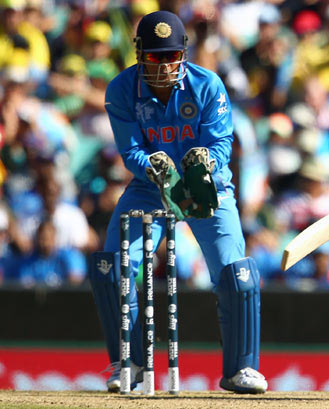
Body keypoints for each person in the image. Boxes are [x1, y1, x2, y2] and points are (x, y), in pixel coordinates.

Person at [88, 10, 267, 394]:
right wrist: (149, 165)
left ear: (183, 54)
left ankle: (242, 369)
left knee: (235, 273)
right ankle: (130, 363)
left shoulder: (207, 84)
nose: (163, 66)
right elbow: (130, 150)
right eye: (154, 57)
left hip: (207, 187)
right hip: (149, 187)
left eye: (170, 57)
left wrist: (207, 161)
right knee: (114, 267)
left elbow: (222, 143)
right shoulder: (121, 90)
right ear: (139, 54)